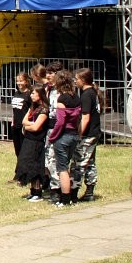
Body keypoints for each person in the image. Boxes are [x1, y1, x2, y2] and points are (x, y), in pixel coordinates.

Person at [47, 69, 81, 207]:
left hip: (63, 136)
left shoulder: (62, 99)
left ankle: (65, 199)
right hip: (74, 135)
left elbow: (60, 121)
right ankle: (72, 195)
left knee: (62, 168)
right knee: (70, 165)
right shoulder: (76, 98)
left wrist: (53, 137)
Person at [71, 68, 103, 202]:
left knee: (79, 163)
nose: (75, 81)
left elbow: (85, 118)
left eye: (76, 79)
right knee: (90, 163)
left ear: (83, 80)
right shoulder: (92, 93)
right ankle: (90, 191)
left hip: (88, 134)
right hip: (94, 133)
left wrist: (79, 134)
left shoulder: (86, 95)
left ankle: (73, 192)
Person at [15, 84, 50, 202]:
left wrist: (28, 127)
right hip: (28, 140)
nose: (31, 95)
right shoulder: (32, 107)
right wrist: (29, 125)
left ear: (40, 95)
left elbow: (37, 128)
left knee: (35, 165)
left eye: (34, 93)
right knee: (26, 163)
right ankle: (32, 191)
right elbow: (24, 121)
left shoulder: (44, 109)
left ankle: (38, 192)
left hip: (37, 141)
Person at [42, 61, 63, 203]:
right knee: (48, 160)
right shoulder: (48, 89)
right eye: (47, 73)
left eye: (51, 73)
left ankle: (57, 191)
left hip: (59, 128)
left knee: (54, 160)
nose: (48, 76)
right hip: (49, 128)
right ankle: (52, 186)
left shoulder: (63, 90)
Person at [8, 72, 32, 183]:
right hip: (15, 126)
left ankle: (24, 176)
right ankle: (18, 174)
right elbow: (15, 110)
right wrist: (13, 121)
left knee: (24, 152)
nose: (19, 83)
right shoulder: (16, 93)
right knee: (18, 151)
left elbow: (31, 111)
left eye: (21, 80)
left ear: (26, 81)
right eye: (17, 81)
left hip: (25, 126)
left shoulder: (30, 94)